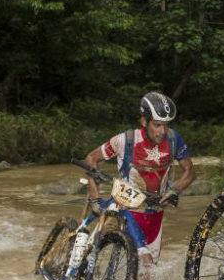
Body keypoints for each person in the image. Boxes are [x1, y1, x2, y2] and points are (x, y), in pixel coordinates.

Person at [83, 92, 196, 269]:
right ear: (144, 121)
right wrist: (95, 196)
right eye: (157, 125)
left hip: (155, 214)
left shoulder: (174, 139)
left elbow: (189, 171)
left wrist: (175, 190)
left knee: (149, 277)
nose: (162, 131)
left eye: (166, 125)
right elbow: (91, 158)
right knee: (144, 260)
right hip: (126, 207)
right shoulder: (125, 140)